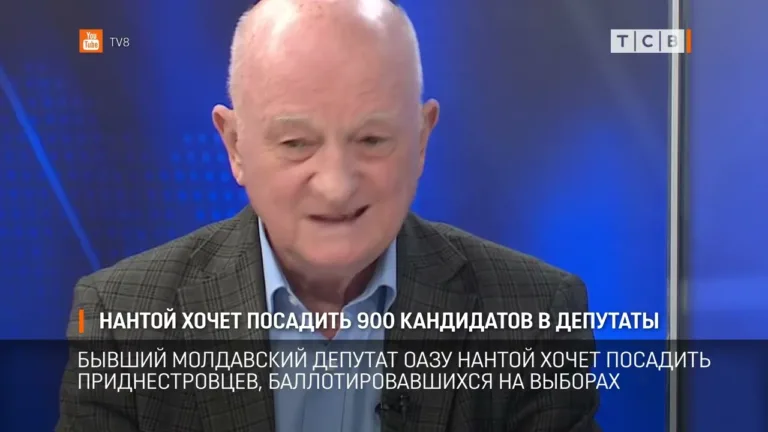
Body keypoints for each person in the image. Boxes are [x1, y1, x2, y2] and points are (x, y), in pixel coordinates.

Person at [57, 0, 600, 431]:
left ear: (421, 139)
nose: (337, 185)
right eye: (297, 143)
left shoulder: (535, 316)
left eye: (372, 140)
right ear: (235, 145)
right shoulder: (121, 318)